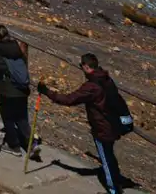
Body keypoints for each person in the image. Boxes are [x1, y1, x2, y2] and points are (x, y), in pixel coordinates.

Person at [40, 54, 134, 194]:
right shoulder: (106, 79)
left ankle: (114, 189)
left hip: (103, 128)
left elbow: (69, 99)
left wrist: (48, 92)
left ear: (87, 67)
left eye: (81, 66)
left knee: (106, 159)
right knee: (109, 155)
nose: (81, 69)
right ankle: (117, 178)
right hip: (113, 125)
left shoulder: (91, 86)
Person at [0, 25, 34, 155]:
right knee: (22, 118)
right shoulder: (18, 49)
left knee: (8, 118)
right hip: (22, 90)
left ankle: (14, 146)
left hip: (7, 91)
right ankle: (32, 146)